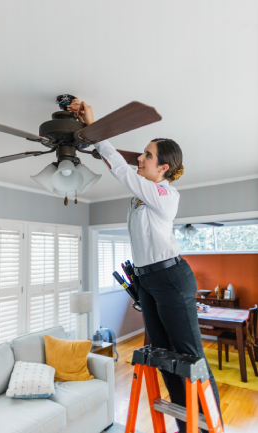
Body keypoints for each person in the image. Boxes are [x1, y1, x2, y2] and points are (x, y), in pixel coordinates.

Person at [68, 99, 222, 433]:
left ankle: (211, 426)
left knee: (190, 354)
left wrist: (97, 130)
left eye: (147, 155)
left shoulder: (166, 195)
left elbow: (122, 170)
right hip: (147, 280)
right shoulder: (142, 198)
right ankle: (185, 423)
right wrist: (90, 139)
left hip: (171, 278)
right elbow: (121, 170)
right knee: (165, 356)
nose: (140, 157)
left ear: (164, 168)